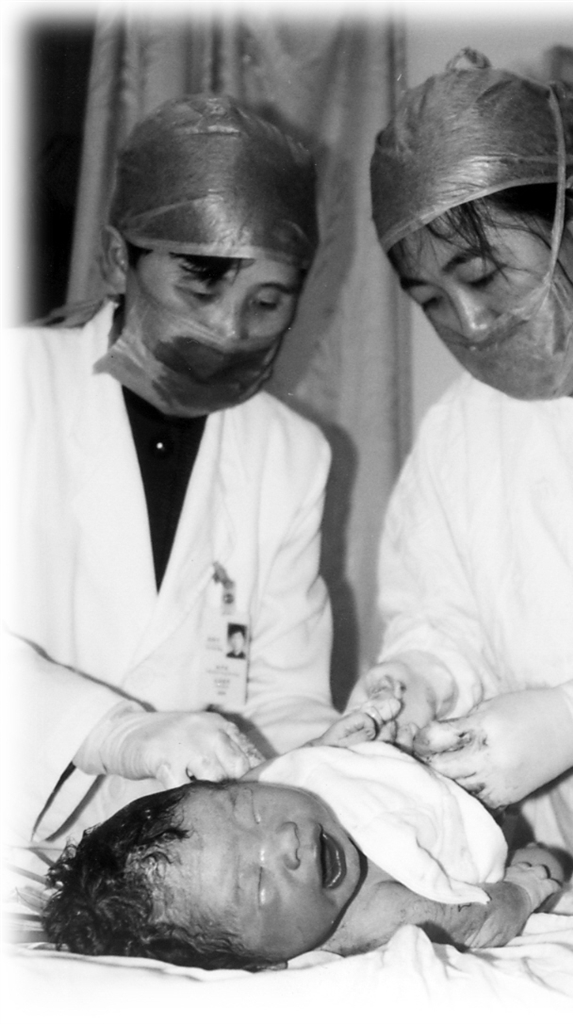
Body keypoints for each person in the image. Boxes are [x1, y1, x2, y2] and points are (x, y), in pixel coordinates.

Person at [349, 50, 573, 911]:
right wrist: (420, 680)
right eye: (430, 300)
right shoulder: (464, 430)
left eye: (483, 277)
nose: (469, 324)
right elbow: (447, 613)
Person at [2, 94, 340, 849]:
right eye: (200, 284)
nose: (228, 329)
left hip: (178, 855)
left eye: (267, 302)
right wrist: (115, 733)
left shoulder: (290, 454)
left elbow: (285, 699)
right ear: (118, 258)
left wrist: (332, 769)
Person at [41, 703, 564, 970]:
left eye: (248, 808)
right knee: (550, 860)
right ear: (263, 961)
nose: (284, 841)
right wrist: (523, 888)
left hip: (422, 761)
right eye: (257, 884)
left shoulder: (258, 796)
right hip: (482, 816)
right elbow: (477, 921)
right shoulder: (381, 916)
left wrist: (326, 746)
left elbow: (272, 773)